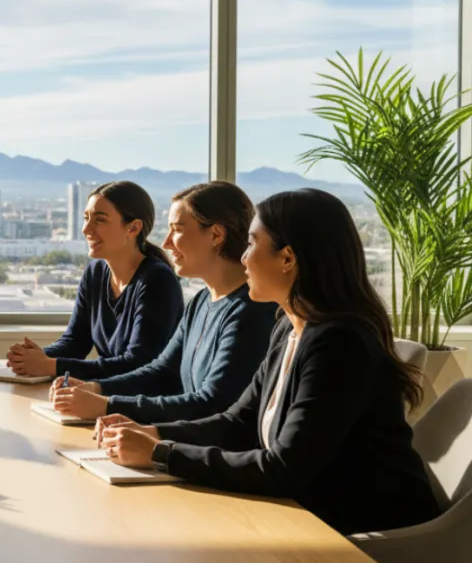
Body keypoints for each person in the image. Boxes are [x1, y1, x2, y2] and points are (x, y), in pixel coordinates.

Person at [97, 189, 442, 535]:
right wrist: (151, 433)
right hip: (307, 516)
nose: (243, 258)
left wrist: (162, 454)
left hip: (370, 537)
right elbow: (238, 423)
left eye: (251, 244)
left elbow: (283, 470)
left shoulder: (339, 344)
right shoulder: (288, 328)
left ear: (287, 258)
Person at [49, 182, 277, 422]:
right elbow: (161, 372)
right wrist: (95, 389)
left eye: (177, 229)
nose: (166, 243)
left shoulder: (252, 311)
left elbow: (212, 403)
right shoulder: (201, 301)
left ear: (216, 235)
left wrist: (107, 406)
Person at [7, 181, 183, 380]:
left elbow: (138, 363)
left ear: (133, 228)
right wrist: (32, 358)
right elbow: (75, 342)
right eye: (86, 218)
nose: (86, 229)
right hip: (110, 394)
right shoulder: (95, 272)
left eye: (100, 220)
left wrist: (50, 366)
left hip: (148, 402)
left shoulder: (157, 280)